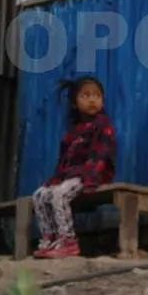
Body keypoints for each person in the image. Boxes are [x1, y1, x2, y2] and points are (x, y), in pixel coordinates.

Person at [32, 77, 116, 259]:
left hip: (91, 174)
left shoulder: (103, 126)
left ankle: (68, 241)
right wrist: (56, 179)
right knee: (40, 195)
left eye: (97, 96)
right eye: (85, 96)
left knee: (58, 195)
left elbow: (101, 157)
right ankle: (50, 239)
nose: (92, 100)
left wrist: (87, 176)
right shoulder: (73, 132)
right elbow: (64, 162)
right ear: (75, 103)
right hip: (71, 176)